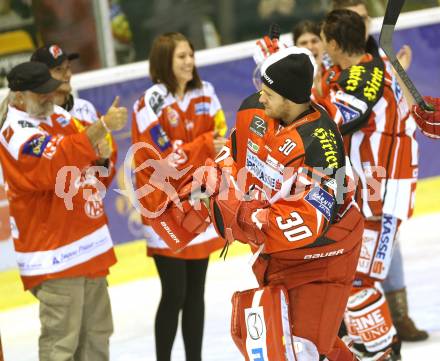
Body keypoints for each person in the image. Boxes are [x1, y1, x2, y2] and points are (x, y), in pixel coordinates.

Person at [161, 47, 365, 360]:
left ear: (290, 98)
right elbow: (234, 153)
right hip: (277, 256)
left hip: (323, 257)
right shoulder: (253, 111)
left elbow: (305, 223)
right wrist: (213, 179)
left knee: (301, 349)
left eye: (268, 92)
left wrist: (236, 215)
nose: (261, 96)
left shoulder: (322, 146)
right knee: (286, 339)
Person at [0, 61, 127, 361]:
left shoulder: (58, 115)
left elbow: (89, 168)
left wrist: (102, 161)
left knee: (98, 335)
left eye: (49, 89)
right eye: (40, 92)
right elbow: (54, 163)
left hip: (87, 244)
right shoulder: (14, 133)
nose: (49, 97)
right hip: (54, 255)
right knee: (61, 345)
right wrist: (102, 127)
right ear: (18, 96)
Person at [316, 9, 422, 359]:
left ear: (333, 42)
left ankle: (384, 351)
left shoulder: (365, 76)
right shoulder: (360, 70)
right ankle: (371, 348)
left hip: (382, 196)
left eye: (323, 40)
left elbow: (332, 122)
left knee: (358, 281)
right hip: (372, 194)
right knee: (350, 278)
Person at [131, 32, 227, 361]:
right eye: (181, 57)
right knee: (174, 293)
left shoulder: (206, 93)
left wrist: (202, 148)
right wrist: (201, 146)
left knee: (196, 293)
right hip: (162, 207)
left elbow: (219, 138)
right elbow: (163, 161)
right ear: (164, 62)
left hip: (197, 203)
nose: (189, 62)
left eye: (190, 55)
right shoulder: (148, 103)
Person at [31, 43, 100, 123]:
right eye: (58, 69)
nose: (68, 74)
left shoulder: (86, 107)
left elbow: (107, 135)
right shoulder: (34, 120)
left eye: (68, 67)